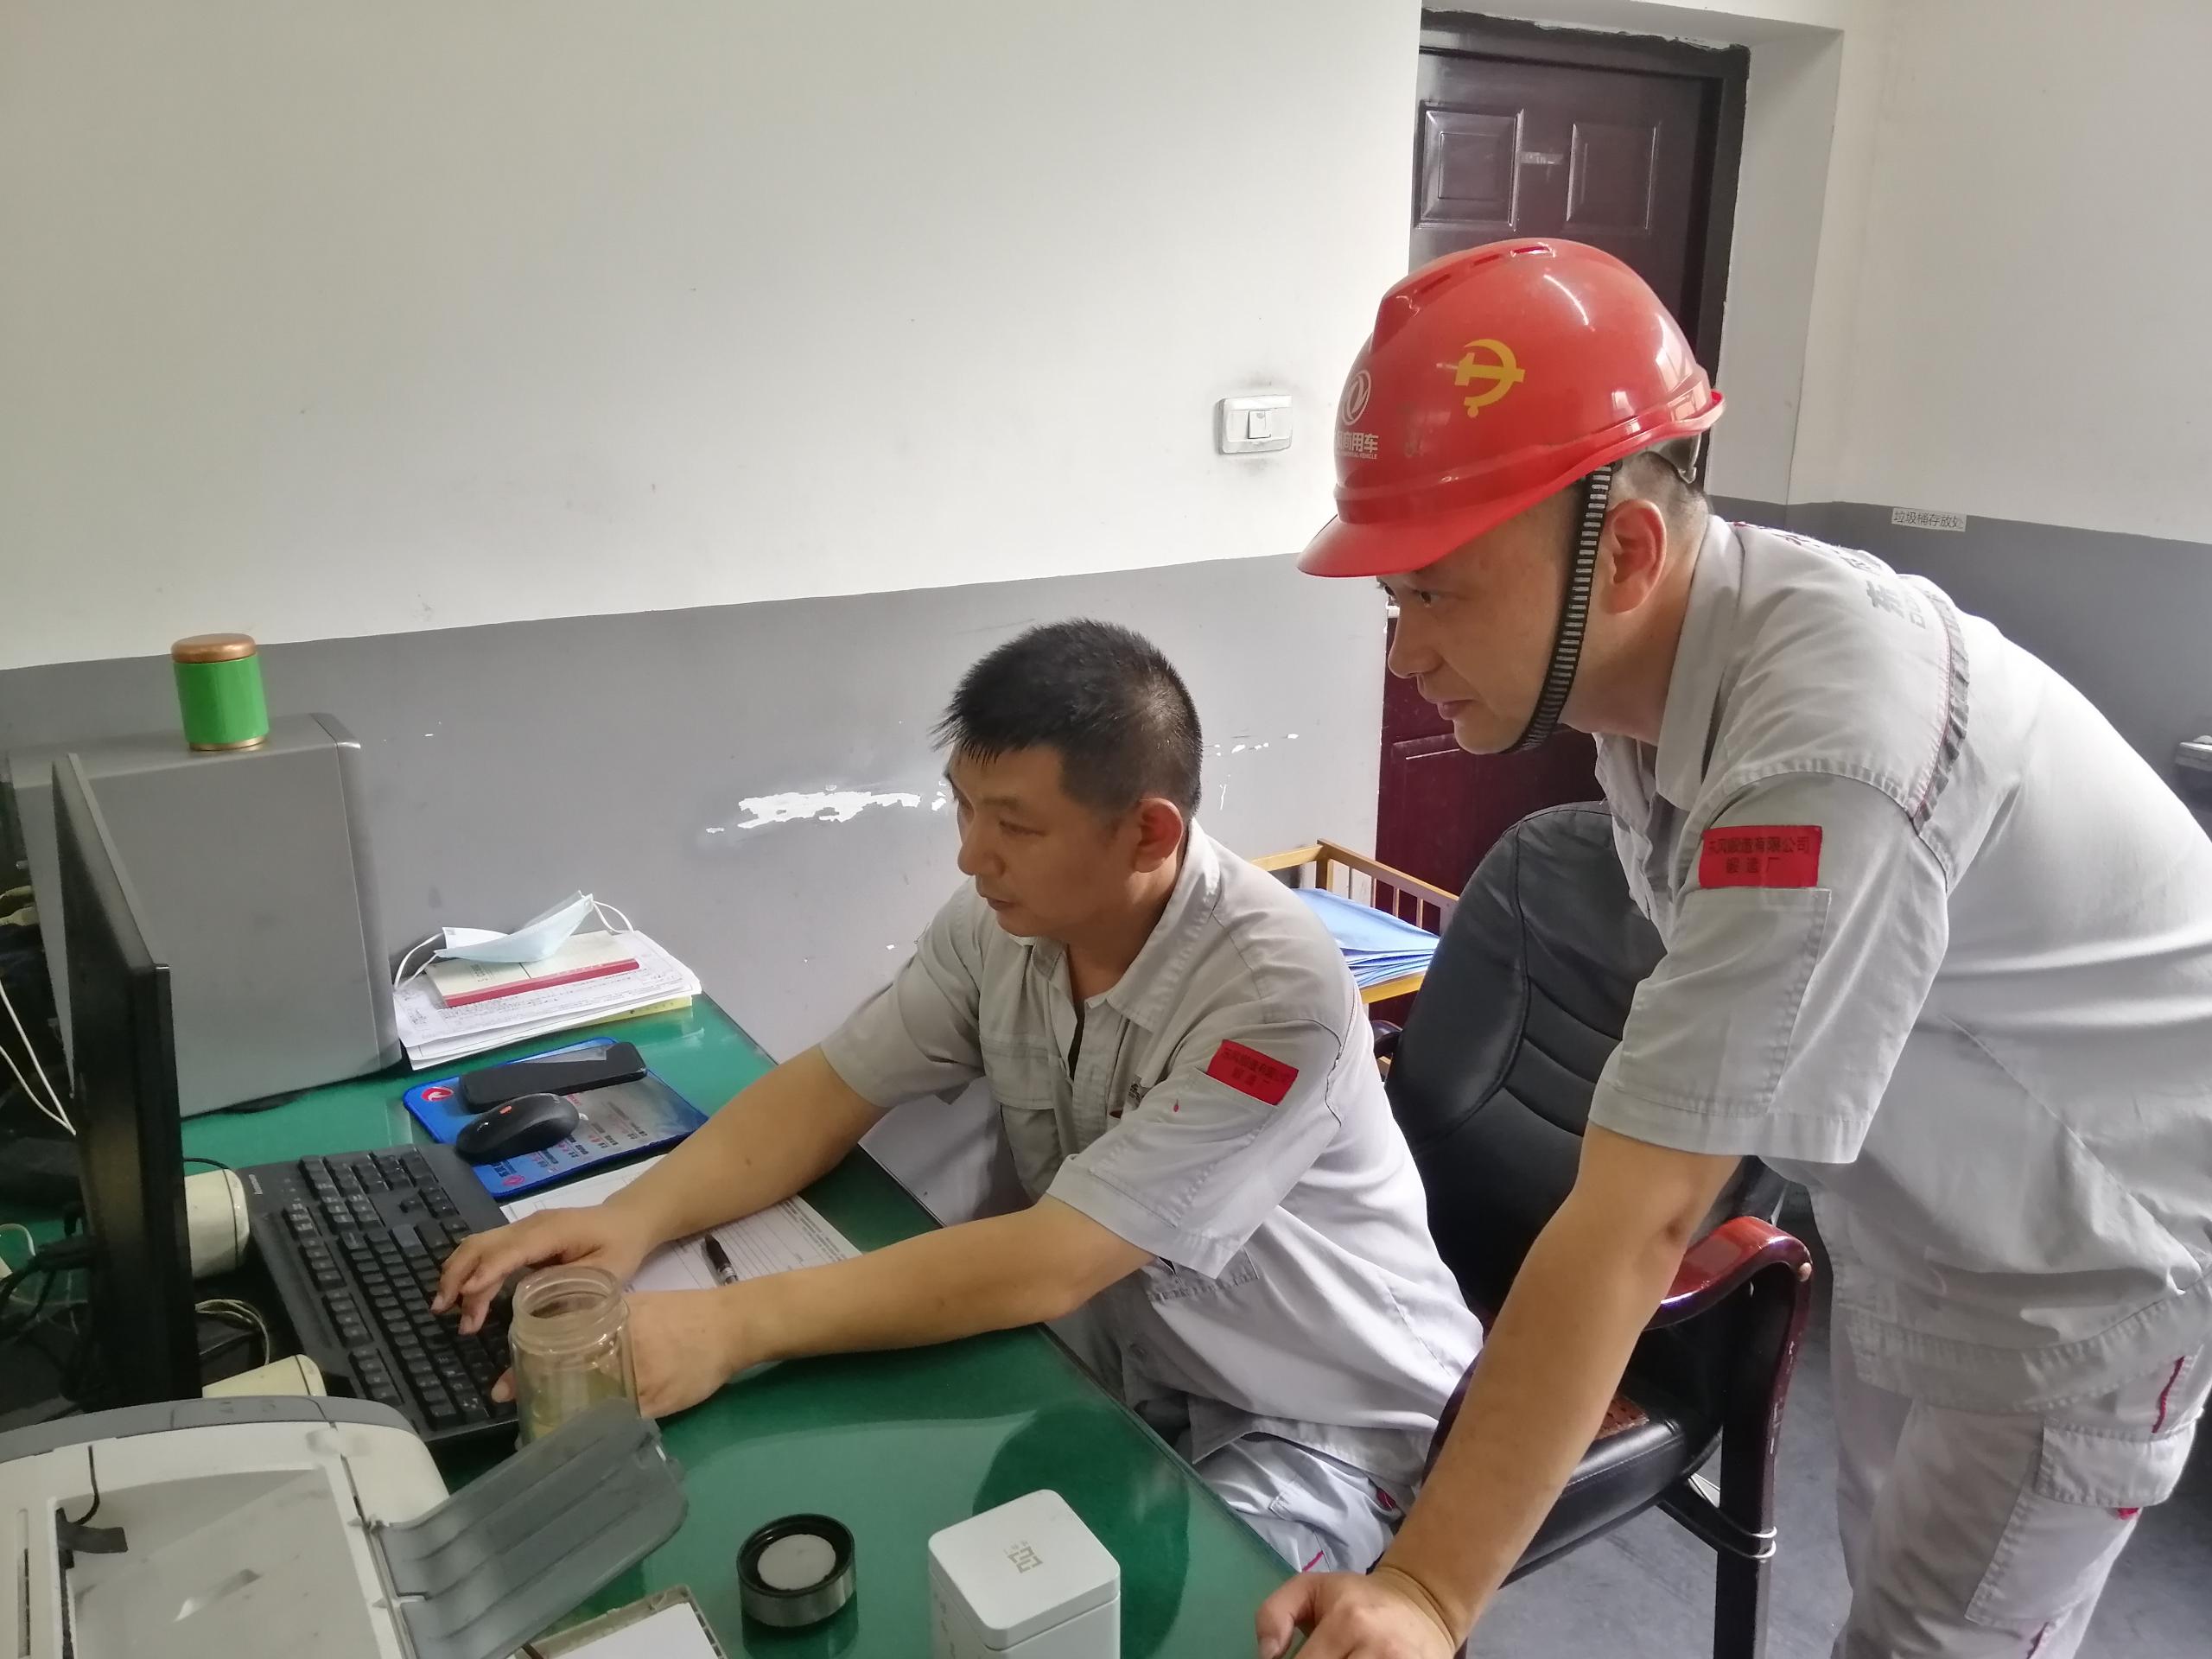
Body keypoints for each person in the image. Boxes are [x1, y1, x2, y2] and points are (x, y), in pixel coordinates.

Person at [1256, 238, 2212, 1659]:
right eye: (1394, 601)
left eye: (1438, 592)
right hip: (1928, 1212)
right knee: (1893, 1589)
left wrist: (1430, 1591)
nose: (1407, 654)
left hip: (2086, 1266)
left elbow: (1644, 1215)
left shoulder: (1824, 746)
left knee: (1936, 1640)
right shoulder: (1654, 691)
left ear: (1627, 554)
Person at [437, 620, 1482, 1575]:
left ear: (1148, 835)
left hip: (1324, 1418)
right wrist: (631, 1219)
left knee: (1197, 1624)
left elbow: (1054, 1261)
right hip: (1130, 1368)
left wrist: (724, 1328)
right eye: (963, 805)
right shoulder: (1000, 926)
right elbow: (832, 1088)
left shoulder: (1272, 998)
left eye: (1014, 825)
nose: (970, 853)